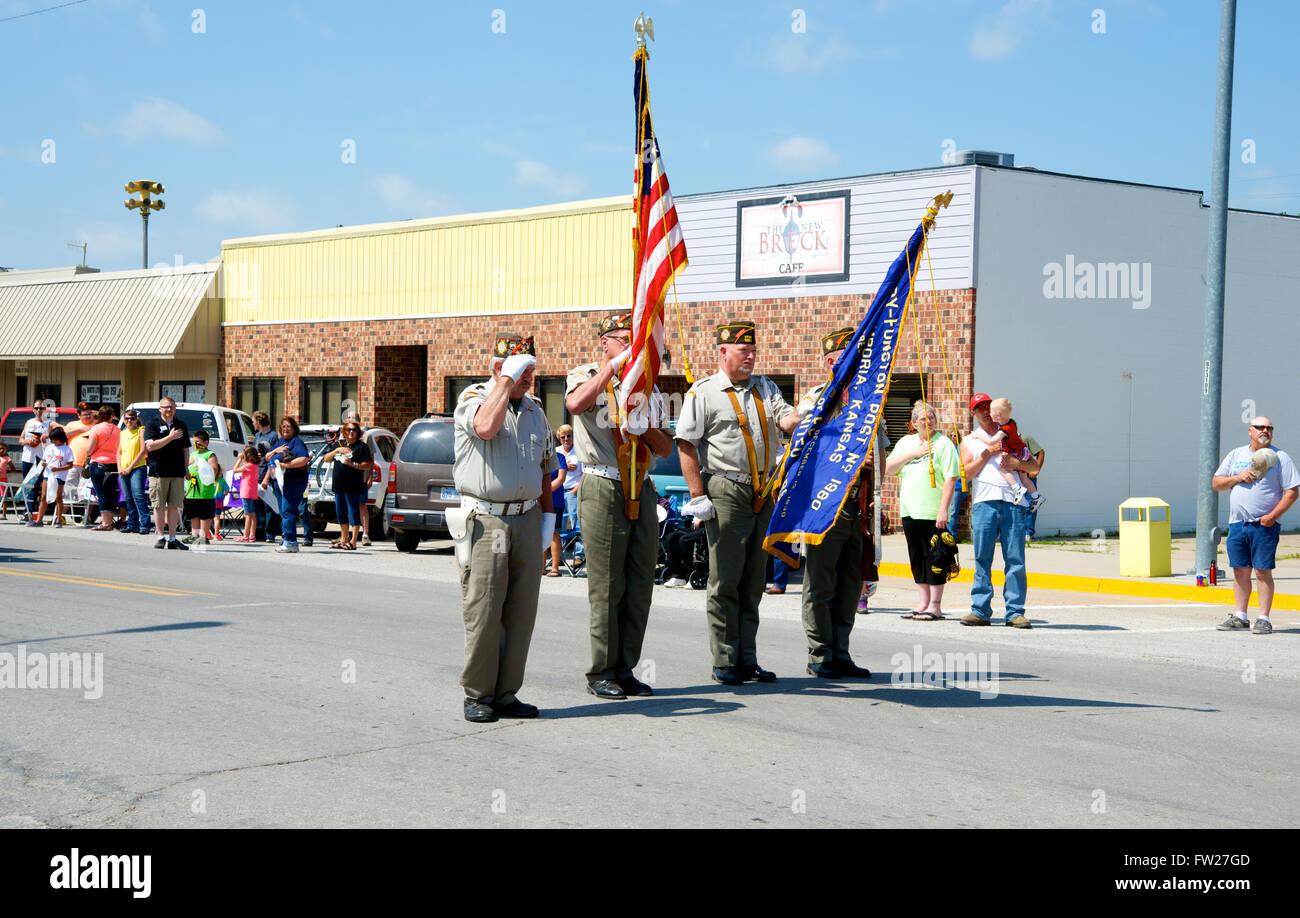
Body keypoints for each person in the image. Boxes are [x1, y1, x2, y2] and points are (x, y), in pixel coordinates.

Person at [675, 320, 800, 685]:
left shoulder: (766, 387)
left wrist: (809, 408)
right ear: (723, 353)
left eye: (753, 351)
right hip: (726, 489)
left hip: (763, 492)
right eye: (743, 351)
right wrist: (698, 495)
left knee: (752, 581)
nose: (750, 357)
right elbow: (685, 444)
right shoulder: (704, 392)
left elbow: (787, 421)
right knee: (725, 580)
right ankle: (725, 659)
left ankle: (747, 658)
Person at [565, 312, 673, 699]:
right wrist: (611, 370)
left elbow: (665, 448)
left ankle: (625, 668)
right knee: (607, 585)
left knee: (640, 583)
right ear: (604, 343)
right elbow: (576, 404)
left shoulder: (648, 386)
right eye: (623, 339)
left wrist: (646, 427)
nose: (631, 346)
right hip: (603, 483)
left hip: (641, 486)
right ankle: (601, 671)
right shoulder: (584, 374)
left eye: (636, 339)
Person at [453, 333, 554, 723]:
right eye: (519, 369)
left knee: (521, 610)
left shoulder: (535, 410)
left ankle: (507, 692)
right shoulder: (475, 399)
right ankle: (478, 693)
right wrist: (505, 383)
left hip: (527, 516)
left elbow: (546, 467)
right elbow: (485, 428)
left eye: (530, 369)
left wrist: (548, 519)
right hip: (488, 518)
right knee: (485, 607)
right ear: (497, 368)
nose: (528, 376)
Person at [791, 327, 873, 678]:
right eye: (847, 357)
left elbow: (879, 452)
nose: (856, 362)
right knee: (820, 584)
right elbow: (803, 446)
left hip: (856, 507)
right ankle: (820, 653)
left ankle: (841, 651)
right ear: (831, 361)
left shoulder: (870, 400)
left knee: (849, 585)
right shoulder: (816, 400)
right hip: (824, 508)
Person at [1212, 416, 1300, 635]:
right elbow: (1216, 483)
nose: (1266, 431)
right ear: (1250, 431)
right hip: (1237, 524)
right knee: (1240, 571)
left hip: (1264, 525)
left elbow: (1292, 492)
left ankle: (1263, 618)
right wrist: (1236, 477)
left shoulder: (1281, 457)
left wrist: (1272, 516)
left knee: (1262, 572)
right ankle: (1240, 616)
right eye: (1260, 427)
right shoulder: (1236, 455)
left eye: (1270, 428)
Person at [958, 392, 1039, 627]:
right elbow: (967, 474)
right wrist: (987, 453)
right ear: (973, 413)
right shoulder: (969, 441)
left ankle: (1014, 612)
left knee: (1015, 558)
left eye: (987, 406)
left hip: (1014, 504)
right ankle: (980, 610)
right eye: (978, 408)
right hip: (985, 503)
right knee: (982, 557)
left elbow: (1034, 467)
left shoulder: (1013, 435)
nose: (984, 411)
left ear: (996, 411)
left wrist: (1016, 464)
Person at [884, 400, 961, 621]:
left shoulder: (944, 443)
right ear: (914, 423)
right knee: (917, 557)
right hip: (910, 510)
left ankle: (935, 606)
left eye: (931, 417)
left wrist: (943, 510)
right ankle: (922, 603)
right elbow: (888, 468)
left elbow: (950, 478)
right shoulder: (906, 442)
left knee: (936, 557)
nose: (928, 421)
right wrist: (913, 454)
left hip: (932, 512)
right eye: (922, 418)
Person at [970, 397, 1045, 511]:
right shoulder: (1012, 422)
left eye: (991, 411)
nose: (989, 413)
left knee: (1002, 469)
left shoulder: (1003, 430)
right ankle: (1036, 496)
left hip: (1018, 452)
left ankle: (1016, 489)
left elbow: (990, 442)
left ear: (998, 415)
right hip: (1022, 450)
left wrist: (977, 435)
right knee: (1023, 477)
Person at [143, 396, 191, 550]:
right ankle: (160, 537)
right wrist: (169, 437)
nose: (169, 410)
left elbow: (185, 449)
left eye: (171, 407)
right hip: (158, 472)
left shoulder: (180, 425)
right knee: (158, 506)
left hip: (177, 472)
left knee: (174, 506)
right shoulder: (153, 424)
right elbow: (150, 447)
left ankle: (172, 538)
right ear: (160, 409)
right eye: (166, 407)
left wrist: (186, 468)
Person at [261, 416, 311, 554]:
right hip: (279, 482)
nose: (285, 429)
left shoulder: (297, 442)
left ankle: (290, 542)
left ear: (294, 428)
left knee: (288, 512)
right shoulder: (280, 442)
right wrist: (275, 451)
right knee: (283, 512)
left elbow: (303, 459)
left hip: (293, 482)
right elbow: (267, 458)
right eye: (283, 426)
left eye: (288, 426)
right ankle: (288, 540)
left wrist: (285, 465)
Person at [324, 421, 372, 550]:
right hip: (339, 484)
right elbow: (326, 459)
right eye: (349, 429)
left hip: (353, 484)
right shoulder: (339, 444)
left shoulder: (361, 447)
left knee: (353, 512)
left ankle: (354, 541)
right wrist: (337, 450)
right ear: (344, 431)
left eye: (354, 430)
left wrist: (353, 464)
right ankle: (343, 539)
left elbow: (368, 464)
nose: (351, 432)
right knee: (340, 512)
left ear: (358, 432)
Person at [83, 406, 121, 531]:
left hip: (99, 463)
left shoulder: (96, 428)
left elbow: (89, 449)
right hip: (114, 463)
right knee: (110, 493)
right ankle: (108, 522)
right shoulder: (118, 429)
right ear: (111, 416)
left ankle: (105, 523)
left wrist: (87, 456)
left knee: (101, 493)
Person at [182, 430, 222, 545]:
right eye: (194, 442)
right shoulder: (193, 454)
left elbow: (214, 469)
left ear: (206, 442)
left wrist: (203, 464)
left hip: (205, 492)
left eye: (198, 442)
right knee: (193, 514)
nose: (195, 444)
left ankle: (204, 536)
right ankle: (194, 535)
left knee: (205, 515)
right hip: (192, 491)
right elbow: (187, 467)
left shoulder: (210, 454)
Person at [341, 409, 374, 546]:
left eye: (353, 418)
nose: (350, 421)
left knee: (361, 505)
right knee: (346, 506)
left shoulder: (366, 436)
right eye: (348, 418)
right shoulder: (343, 436)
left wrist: (370, 476)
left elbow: (371, 458)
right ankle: (345, 536)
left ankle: (365, 535)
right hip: (345, 479)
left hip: (361, 477)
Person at [117, 409, 151, 535]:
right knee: (128, 498)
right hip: (124, 469)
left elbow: (143, 451)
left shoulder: (141, 430)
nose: (129, 421)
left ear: (136, 419)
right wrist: (119, 467)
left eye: (132, 418)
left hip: (137, 468)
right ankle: (132, 524)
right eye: (126, 419)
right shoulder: (123, 433)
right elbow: (119, 452)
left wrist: (130, 467)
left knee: (138, 496)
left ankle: (145, 525)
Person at [32, 427, 74, 527]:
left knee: (58, 498)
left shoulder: (67, 449)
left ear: (60, 438)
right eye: (52, 439)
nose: (53, 441)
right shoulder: (49, 448)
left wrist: (58, 469)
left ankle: (58, 520)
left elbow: (70, 465)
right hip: (47, 475)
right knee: (43, 497)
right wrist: (43, 463)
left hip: (59, 476)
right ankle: (39, 520)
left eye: (55, 439)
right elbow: (44, 460)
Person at [544, 426, 570, 576]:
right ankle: (541, 567)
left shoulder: (560, 458)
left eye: (550, 440)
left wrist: (543, 491)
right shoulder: (539, 457)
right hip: (538, 501)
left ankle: (554, 568)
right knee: (540, 534)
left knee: (553, 534)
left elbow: (560, 479)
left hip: (555, 501)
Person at [19, 400, 52, 520]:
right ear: (33, 409)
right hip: (27, 458)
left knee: (36, 486)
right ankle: (28, 510)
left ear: (45, 410)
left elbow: (56, 436)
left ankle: (29, 511)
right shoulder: (29, 422)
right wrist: (28, 441)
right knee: (27, 485)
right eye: (36, 408)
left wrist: (46, 437)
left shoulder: (49, 424)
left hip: (41, 458)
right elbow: (21, 439)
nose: (38, 410)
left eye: (41, 408)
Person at [251, 411, 278, 542]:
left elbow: (273, 460)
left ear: (259, 421)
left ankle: (270, 533)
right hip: (257, 473)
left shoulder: (273, 436)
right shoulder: (257, 435)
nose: (252, 423)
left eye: (253, 421)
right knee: (257, 506)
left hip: (268, 475)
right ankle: (259, 532)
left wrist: (268, 477)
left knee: (269, 505)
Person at [1022, 430, 1046, 539]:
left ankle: (1028, 532)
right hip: (1012, 479)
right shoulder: (1002, 441)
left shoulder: (1025, 438)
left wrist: (1036, 470)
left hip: (1027, 478)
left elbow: (1041, 452)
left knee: (1030, 505)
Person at [235, 446, 261, 542]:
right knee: (252, 514)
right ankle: (252, 535)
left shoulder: (247, 466)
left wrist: (240, 459)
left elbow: (235, 470)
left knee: (247, 515)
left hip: (246, 492)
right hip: (252, 492)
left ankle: (245, 535)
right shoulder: (254, 465)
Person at [0, 443, 14, 519]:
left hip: (3, 480)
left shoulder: (7, 458)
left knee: (4, 497)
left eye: (3, 449)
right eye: (0, 448)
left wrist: (5, 472)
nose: (1, 450)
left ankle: (4, 514)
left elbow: (13, 469)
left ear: (6, 450)